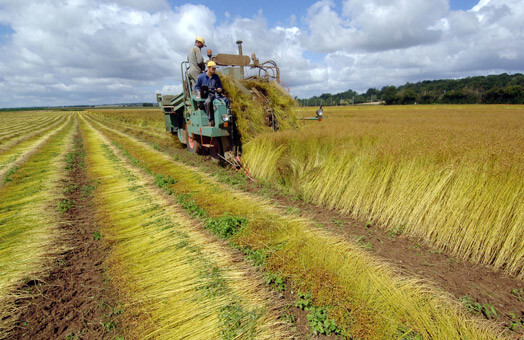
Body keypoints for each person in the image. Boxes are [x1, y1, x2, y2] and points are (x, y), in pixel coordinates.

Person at [195, 61, 223, 125]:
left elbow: (220, 86)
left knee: (224, 101)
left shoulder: (216, 77)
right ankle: (210, 119)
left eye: (215, 68)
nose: (214, 70)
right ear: (208, 68)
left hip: (215, 94)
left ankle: (224, 119)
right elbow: (196, 87)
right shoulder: (201, 77)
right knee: (208, 101)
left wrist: (220, 89)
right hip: (206, 95)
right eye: (213, 68)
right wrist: (199, 92)